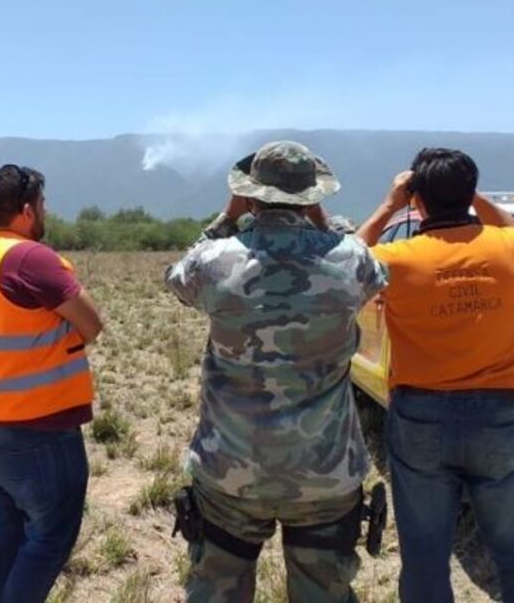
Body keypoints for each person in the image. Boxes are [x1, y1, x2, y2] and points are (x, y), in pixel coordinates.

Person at [165, 141, 388, 602]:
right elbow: (365, 261)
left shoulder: (216, 260)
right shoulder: (350, 260)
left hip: (231, 471)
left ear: (250, 196)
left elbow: (177, 278)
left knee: (216, 591)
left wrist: (227, 218)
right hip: (326, 476)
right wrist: (323, 221)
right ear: (312, 198)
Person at [356, 148, 514, 603]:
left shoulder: (398, 258)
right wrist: (471, 195)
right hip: (498, 414)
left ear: (417, 201)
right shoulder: (508, 248)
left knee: (424, 556)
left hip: (421, 413)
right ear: (468, 195)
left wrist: (391, 204)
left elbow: (347, 259)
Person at [0, 164, 103, 603]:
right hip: (39, 424)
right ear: (26, 210)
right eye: (43, 204)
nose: (45, 211)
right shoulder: (30, 257)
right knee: (51, 534)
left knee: (6, 526)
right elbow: (91, 324)